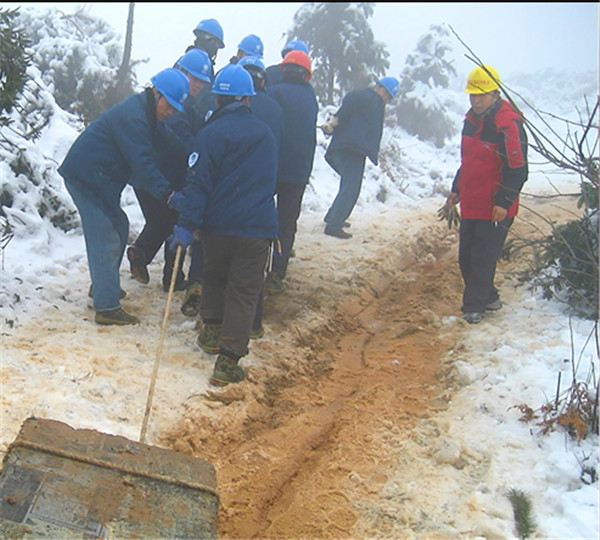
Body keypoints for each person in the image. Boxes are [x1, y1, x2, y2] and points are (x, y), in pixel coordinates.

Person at [168, 63, 278, 387]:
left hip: (217, 228)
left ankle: (212, 332)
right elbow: (269, 183)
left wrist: (187, 225)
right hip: (255, 229)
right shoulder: (265, 134)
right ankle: (228, 361)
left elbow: (198, 183)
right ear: (247, 100)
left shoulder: (210, 134)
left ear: (217, 100)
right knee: (244, 292)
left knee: (214, 277)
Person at [58, 68, 189, 325]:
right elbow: (143, 164)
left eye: (175, 109)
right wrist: (169, 195)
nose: (170, 112)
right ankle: (106, 307)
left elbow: (170, 142)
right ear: (157, 93)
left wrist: (194, 157)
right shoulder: (134, 118)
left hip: (101, 180)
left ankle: (102, 286)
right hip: (85, 178)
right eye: (169, 105)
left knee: (119, 226)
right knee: (105, 235)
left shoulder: (146, 114)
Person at [442, 64, 528, 324]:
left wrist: (503, 202)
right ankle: (488, 297)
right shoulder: (470, 121)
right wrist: (456, 191)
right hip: (471, 201)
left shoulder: (508, 125)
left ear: (494, 93)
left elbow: (518, 170)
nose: (476, 100)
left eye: (481, 95)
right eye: (472, 95)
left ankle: (473, 307)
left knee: (482, 256)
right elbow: (468, 162)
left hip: (495, 206)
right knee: (466, 257)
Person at [127, 49, 213, 293]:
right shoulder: (176, 104)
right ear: (182, 71)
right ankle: (170, 276)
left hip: (154, 175)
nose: (197, 84)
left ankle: (141, 255)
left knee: (160, 221)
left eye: (201, 81)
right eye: (194, 78)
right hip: (165, 175)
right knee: (172, 221)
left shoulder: (188, 104)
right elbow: (183, 143)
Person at [264, 50, 318, 294]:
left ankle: (255, 264)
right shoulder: (311, 96)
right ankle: (277, 272)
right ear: (307, 75)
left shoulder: (274, 93)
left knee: (261, 217)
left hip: (271, 168)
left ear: (283, 69)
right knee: (287, 223)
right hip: (298, 171)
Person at [238, 55, 284, 338]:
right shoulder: (275, 110)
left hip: (227, 198)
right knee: (253, 267)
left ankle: (214, 324)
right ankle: (253, 324)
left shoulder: (224, 113)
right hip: (261, 196)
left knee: (222, 267)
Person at [321, 76, 399, 239]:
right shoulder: (369, 97)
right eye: (387, 95)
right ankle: (333, 225)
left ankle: (333, 216)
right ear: (380, 88)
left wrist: (334, 123)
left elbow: (347, 110)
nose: (387, 100)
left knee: (348, 184)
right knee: (351, 187)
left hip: (349, 147)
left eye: (389, 98)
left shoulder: (370, 100)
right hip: (351, 149)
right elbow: (348, 108)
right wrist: (335, 121)